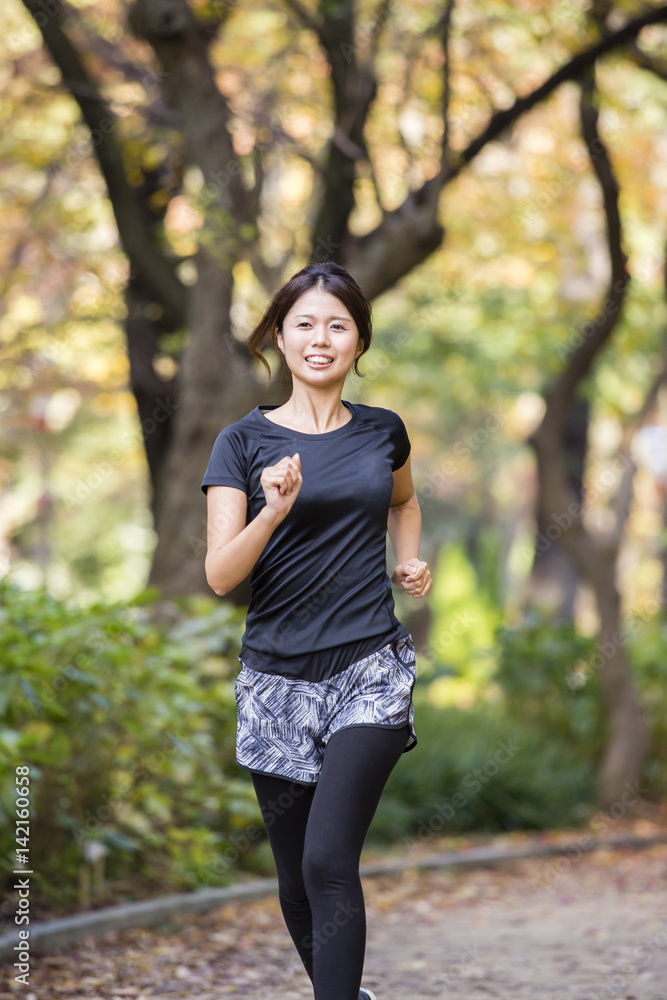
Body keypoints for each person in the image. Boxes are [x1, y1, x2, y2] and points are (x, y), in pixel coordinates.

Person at [201, 260, 432, 1000]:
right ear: (279, 335)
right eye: (305, 323)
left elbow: (402, 502)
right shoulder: (241, 443)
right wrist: (272, 509)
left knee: (329, 861)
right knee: (296, 880)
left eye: (338, 325)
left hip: (370, 667)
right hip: (275, 682)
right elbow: (220, 575)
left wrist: (409, 560)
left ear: (358, 340)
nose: (320, 338)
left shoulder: (382, 432)